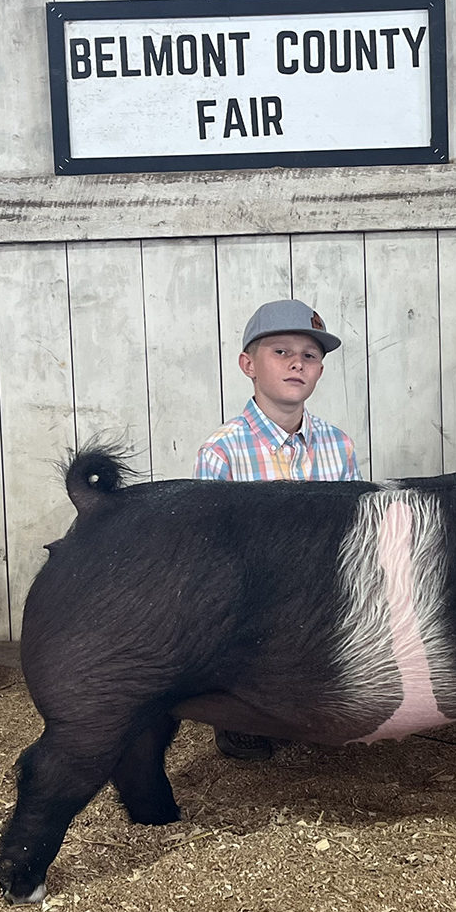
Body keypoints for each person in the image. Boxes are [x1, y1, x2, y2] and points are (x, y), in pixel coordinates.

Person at [194, 299, 362, 760]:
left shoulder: (338, 444)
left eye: (309, 356)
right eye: (281, 352)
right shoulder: (221, 451)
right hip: (254, 596)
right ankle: (239, 717)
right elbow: (215, 553)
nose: (297, 363)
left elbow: (351, 530)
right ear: (248, 364)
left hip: (322, 590)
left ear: (320, 371)